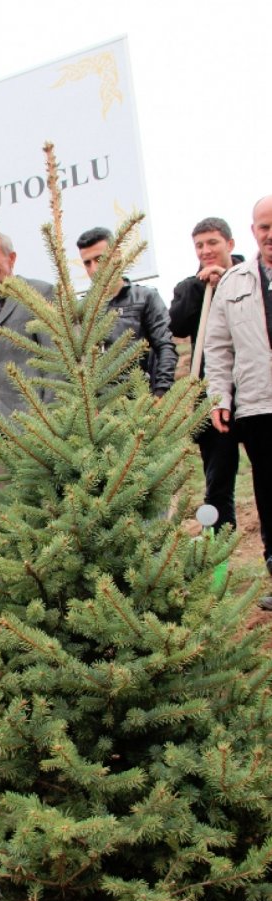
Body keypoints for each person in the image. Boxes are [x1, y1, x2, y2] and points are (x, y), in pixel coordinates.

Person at [205, 195, 272, 610]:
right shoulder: (235, 283)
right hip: (258, 405)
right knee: (269, 491)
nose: (270, 235)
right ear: (253, 231)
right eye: (264, 227)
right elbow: (218, 346)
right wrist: (219, 397)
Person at [169, 217, 243, 531]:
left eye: (212, 242)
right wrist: (201, 287)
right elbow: (178, 325)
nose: (205, 250)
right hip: (211, 392)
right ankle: (221, 545)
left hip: (253, 386)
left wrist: (226, 281)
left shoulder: (250, 277)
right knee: (218, 476)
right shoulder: (189, 287)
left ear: (230, 244)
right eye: (199, 245)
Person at [0, 231, 55, 475]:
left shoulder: (40, 293)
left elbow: (56, 360)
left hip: (35, 427)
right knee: (3, 507)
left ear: (11, 258)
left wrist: (50, 421)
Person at [76, 227, 178, 397]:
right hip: (96, 410)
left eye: (99, 259)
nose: (93, 269)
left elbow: (165, 346)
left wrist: (161, 392)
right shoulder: (81, 309)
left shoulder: (145, 298)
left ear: (116, 255)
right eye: (87, 263)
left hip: (139, 403)